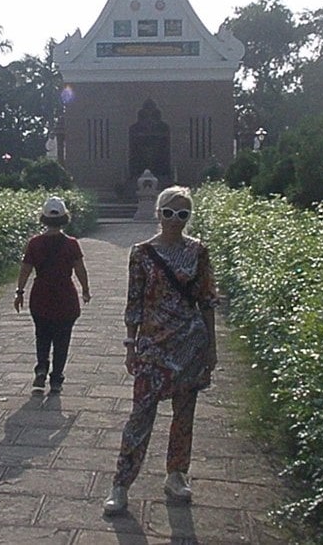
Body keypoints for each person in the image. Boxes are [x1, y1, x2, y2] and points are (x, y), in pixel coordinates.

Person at [103, 186, 219, 515]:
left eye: (182, 214)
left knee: (184, 416)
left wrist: (211, 347)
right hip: (152, 346)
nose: (175, 220)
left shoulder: (199, 252)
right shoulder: (141, 253)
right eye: (169, 213)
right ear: (158, 213)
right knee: (140, 416)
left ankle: (176, 474)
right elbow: (134, 302)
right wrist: (130, 344)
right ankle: (121, 483)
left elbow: (207, 301)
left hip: (189, 344)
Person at [13, 196, 91, 394]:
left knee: (42, 335)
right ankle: (56, 378)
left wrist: (20, 291)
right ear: (65, 218)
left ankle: (41, 368)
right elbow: (80, 269)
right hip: (66, 295)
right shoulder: (71, 244)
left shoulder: (35, 243)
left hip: (41, 295)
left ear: (43, 218)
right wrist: (85, 289)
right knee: (62, 339)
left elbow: (25, 270)